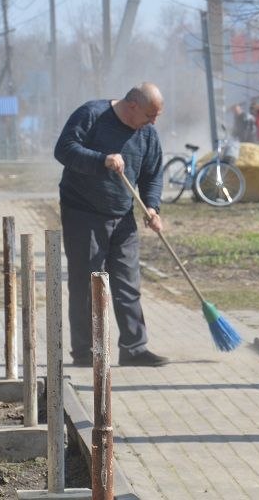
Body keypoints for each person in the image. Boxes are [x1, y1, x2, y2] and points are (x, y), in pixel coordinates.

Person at [54, 83, 168, 368]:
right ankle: (85, 352)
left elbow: (153, 174)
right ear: (132, 106)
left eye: (157, 116)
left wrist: (152, 206)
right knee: (87, 283)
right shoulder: (92, 115)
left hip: (123, 216)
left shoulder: (147, 135)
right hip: (83, 212)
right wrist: (101, 160)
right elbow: (64, 150)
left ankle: (134, 348)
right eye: (150, 115)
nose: (154, 121)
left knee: (129, 283)